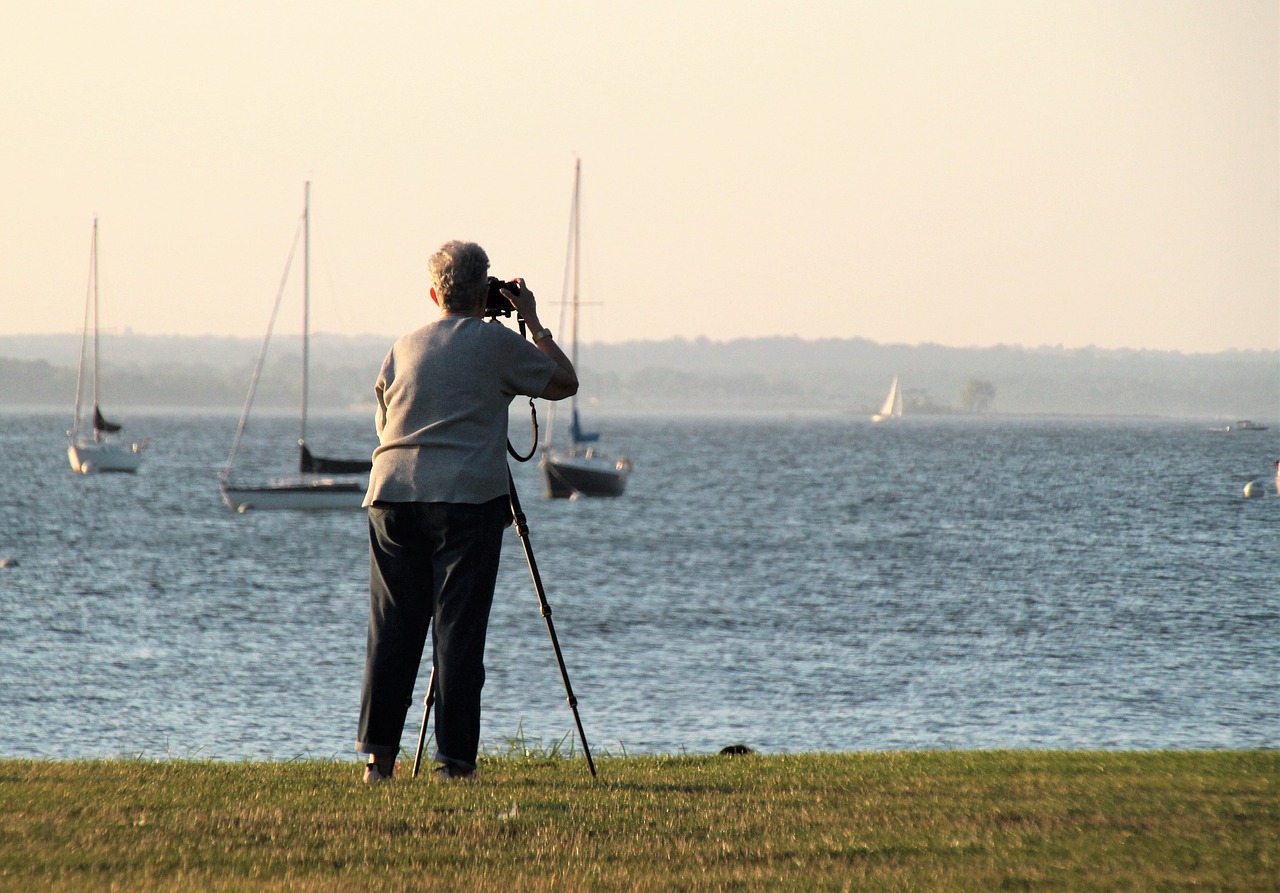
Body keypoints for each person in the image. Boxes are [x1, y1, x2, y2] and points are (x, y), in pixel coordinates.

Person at [355, 240, 578, 784]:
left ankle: (378, 760)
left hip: (391, 496)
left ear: (434, 293)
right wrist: (534, 321)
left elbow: (385, 425)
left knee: (392, 630)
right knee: (458, 632)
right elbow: (564, 382)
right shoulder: (496, 342)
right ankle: (455, 764)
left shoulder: (403, 347)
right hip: (467, 502)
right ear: (485, 293)